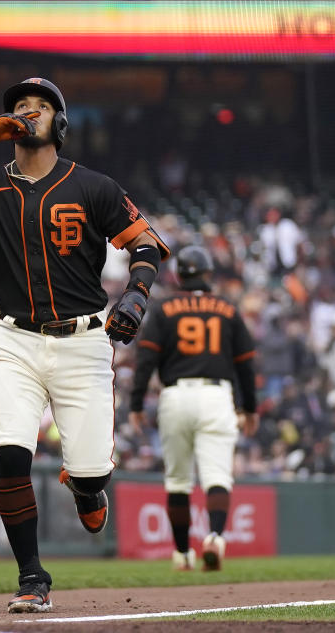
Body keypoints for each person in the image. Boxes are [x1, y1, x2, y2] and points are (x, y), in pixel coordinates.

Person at [0, 77, 169, 612]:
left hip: (83, 340)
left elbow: (146, 243)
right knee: (10, 453)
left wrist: (137, 295)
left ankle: (85, 487)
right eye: (19, 107)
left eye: (40, 107)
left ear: (61, 123)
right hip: (15, 338)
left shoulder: (94, 186)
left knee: (91, 471)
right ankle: (32, 578)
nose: (28, 112)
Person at [128, 245, 258, 572]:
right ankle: (214, 536)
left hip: (176, 396)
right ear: (208, 273)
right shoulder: (227, 308)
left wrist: (137, 401)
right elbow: (245, 364)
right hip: (217, 396)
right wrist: (249, 407)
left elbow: (146, 357)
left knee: (177, 480)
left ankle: (183, 553)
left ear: (179, 275)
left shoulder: (164, 307)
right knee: (217, 476)